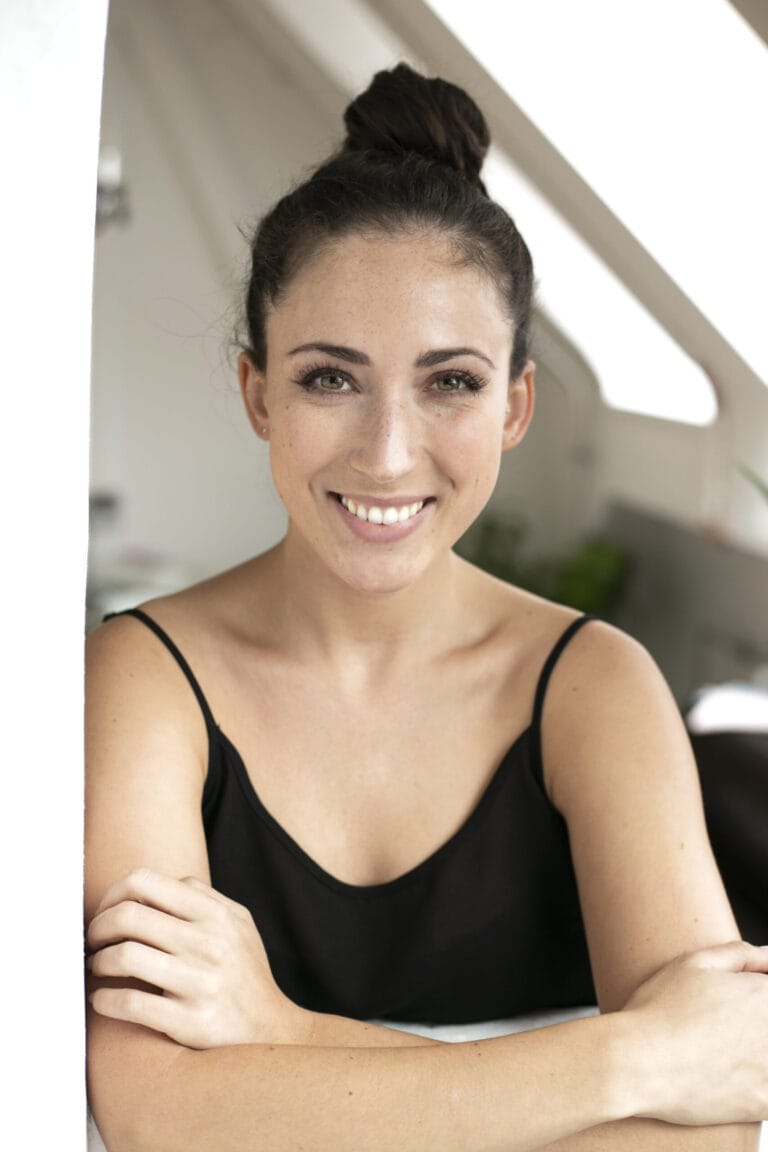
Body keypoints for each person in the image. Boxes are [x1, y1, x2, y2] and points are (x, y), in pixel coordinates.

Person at [85, 63, 768, 1151]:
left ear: (515, 405)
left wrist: (285, 1037)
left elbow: (710, 1133)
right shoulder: (141, 679)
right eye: (330, 378)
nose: (389, 453)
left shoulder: (595, 686)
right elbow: (155, 1112)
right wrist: (634, 1062)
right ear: (258, 392)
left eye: (450, 381)